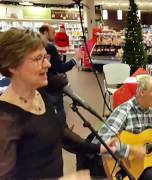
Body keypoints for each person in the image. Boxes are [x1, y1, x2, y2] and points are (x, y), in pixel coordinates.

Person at [0, 28, 115, 179]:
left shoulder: (40, 93)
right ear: (12, 66)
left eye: (45, 57)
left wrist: (99, 148)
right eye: (37, 59)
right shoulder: (5, 118)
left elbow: (59, 132)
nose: (48, 64)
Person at [39, 24, 82, 127]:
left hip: (42, 87)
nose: (55, 34)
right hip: (52, 86)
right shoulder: (50, 47)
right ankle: (63, 132)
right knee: (59, 109)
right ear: (45, 33)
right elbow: (61, 68)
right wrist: (75, 59)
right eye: (53, 32)